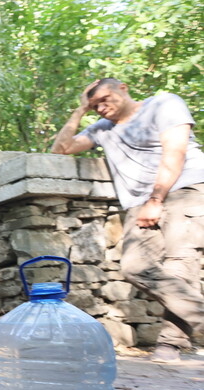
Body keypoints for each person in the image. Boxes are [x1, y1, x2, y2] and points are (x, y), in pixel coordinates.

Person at [51, 79, 204, 363]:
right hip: (139, 203)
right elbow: (60, 149)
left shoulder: (164, 103)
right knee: (134, 266)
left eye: (105, 99)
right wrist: (80, 111)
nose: (102, 107)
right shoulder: (102, 129)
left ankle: (170, 344)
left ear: (123, 87)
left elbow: (176, 152)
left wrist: (156, 199)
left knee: (181, 266)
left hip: (186, 189)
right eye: (95, 105)